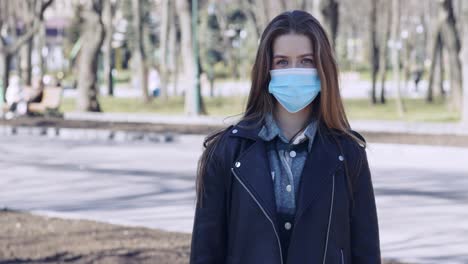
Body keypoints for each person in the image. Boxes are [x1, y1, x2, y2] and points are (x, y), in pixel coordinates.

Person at [190, 10, 381, 264]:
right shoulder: (225, 152)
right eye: (282, 62)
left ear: (322, 68)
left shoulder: (348, 155)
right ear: (266, 69)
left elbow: (365, 252)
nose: (294, 71)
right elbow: (206, 253)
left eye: (306, 61)